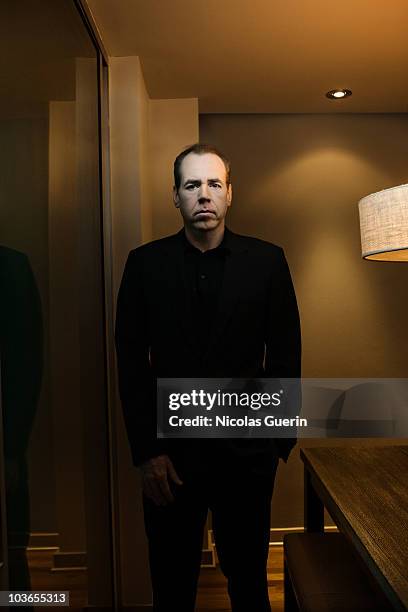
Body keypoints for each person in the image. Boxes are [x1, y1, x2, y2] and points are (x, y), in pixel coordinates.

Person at [115, 143, 301, 611]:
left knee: (249, 587)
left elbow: (285, 358)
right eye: (192, 184)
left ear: (229, 194)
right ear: (175, 197)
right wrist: (147, 454)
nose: (204, 195)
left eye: (213, 184)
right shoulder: (144, 265)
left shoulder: (268, 262)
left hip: (246, 459)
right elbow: (132, 362)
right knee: (172, 588)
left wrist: (272, 444)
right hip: (170, 463)